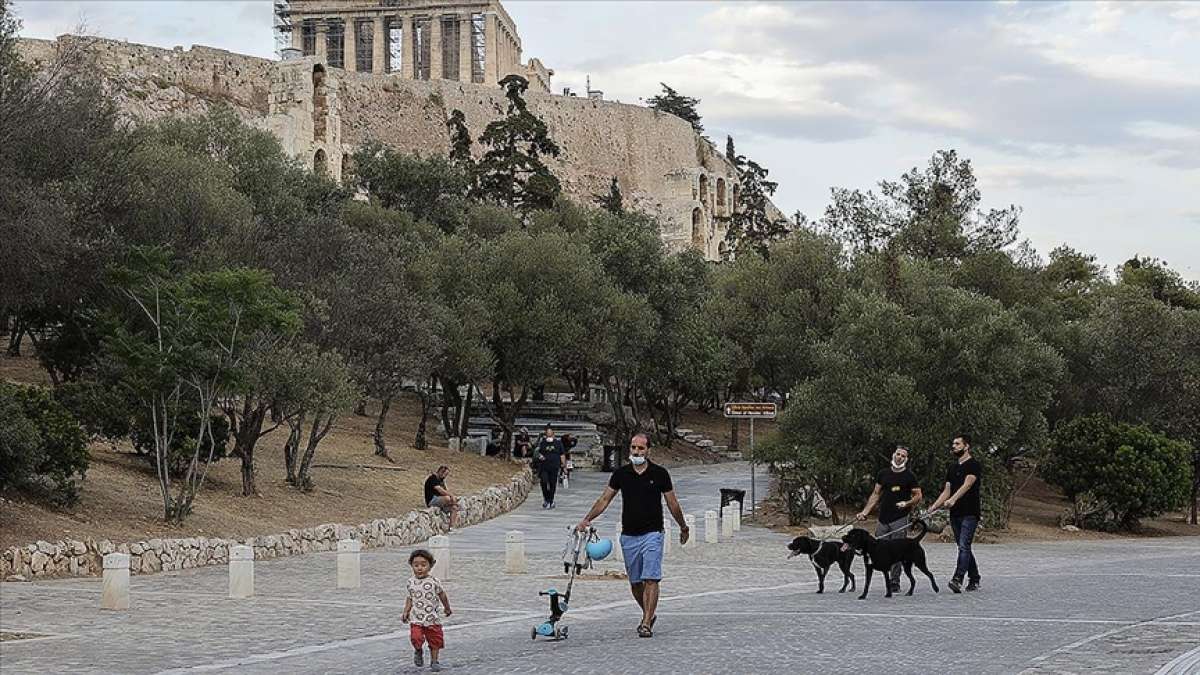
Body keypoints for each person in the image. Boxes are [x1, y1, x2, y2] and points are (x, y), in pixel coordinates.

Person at [576, 433, 689, 638]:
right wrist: (586, 519)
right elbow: (604, 500)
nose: (636, 452)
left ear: (648, 450)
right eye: (633, 448)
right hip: (629, 536)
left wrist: (683, 526)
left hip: (653, 533)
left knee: (651, 578)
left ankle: (646, 623)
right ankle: (648, 612)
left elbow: (673, 503)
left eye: (641, 448)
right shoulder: (621, 474)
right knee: (636, 583)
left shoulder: (660, 473)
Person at [856, 445, 922, 593]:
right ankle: (883, 575)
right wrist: (865, 512)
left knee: (897, 549)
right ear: (893, 455)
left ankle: (894, 581)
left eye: (903, 456)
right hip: (883, 517)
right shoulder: (883, 473)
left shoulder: (909, 476)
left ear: (906, 459)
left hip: (900, 517)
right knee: (879, 547)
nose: (899, 457)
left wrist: (907, 503)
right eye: (898, 454)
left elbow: (918, 495)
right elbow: (875, 494)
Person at [927, 434, 982, 593]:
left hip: (970, 512)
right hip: (955, 514)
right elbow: (947, 490)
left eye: (957, 444)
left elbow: (968, 484)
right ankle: (975, 578)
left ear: (966, 446)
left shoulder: (973, 465)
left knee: (964, 545)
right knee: (963, 547)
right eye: (953, 444)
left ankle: (957, 579)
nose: (954, 446)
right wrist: (934, 507)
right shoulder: (952, 468)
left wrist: (953, 500)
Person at [402, 549, 453, 672]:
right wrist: (406, 611)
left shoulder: (434, 582)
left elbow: (442, 595)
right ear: (411, 565)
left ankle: (434, 661)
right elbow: (410, 598)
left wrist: (447, 608)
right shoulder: (410, 582)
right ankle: (418, 650)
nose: (420, 568)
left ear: (430, 566)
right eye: (416, 565)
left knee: (435, 640)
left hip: (432, 618)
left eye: (423, 565)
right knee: (416, 637)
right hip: (416, 618)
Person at [535, 425, 565, 508]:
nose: (549, 436)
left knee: (552, 484)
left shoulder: (558, 443)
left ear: (553, 434)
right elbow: (537, 452)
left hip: (554, 467)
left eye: (550, 434)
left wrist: (564, 466)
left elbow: (562, 454)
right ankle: (546, 498)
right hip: (544, 467)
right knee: (544, 482)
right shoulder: (543, 443)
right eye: (547, 434)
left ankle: (551, 500)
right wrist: (540, 456)